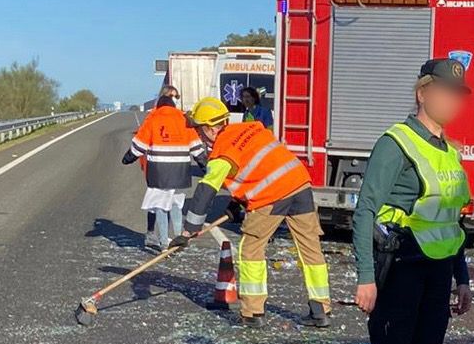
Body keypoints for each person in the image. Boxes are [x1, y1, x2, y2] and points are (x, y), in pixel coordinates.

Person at [352, 58, 474, 344]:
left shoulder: (449, 150)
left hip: (437, 270)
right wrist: (366, 277)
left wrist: (461, 277)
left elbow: (450, 219)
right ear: (423, 93)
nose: (451, 100)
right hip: (400, 266)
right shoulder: (397, 143)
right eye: (443, 91)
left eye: (457, 94)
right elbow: (365, 210)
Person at [171, 97, 331, 325]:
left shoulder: (221, 153)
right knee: (310, 249)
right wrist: (237, 205)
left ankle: (253, 312)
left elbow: (205, 193)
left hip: (272, 196)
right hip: (300, 184)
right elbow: (258, 167)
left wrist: (187, 233)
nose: (198, 135)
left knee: (251, 249)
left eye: (198, 129)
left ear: (209, 128)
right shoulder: (252, 128)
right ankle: (321, 309)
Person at [122, 92, 203, 251]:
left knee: (160, 206)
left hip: (159, 171)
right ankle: (179, 239)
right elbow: (196, 148)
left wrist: (127, 158)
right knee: (175, 204)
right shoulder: (184, 119)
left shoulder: (153, 119)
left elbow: (139, 146)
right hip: (180, 171)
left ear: (159, 106)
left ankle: (164, 243)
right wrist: (205, 165)